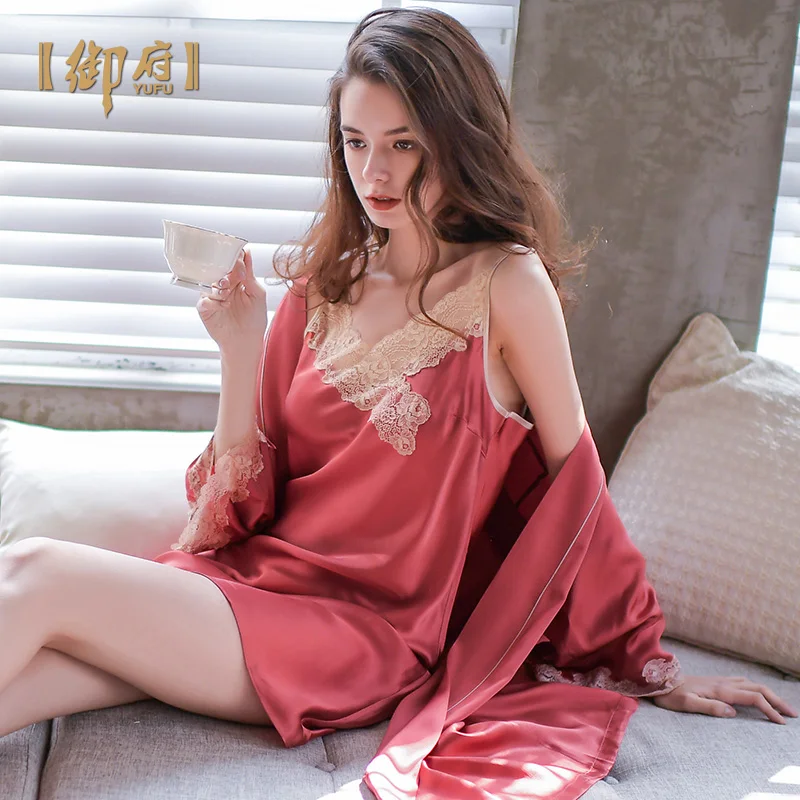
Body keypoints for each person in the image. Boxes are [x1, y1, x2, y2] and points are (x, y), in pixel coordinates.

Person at [0, 7, 794, 799]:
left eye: (403, 144)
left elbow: (576, 486)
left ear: (456, 139)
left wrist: (650, 663)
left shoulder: (507, 286)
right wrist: (240, 354)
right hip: (241, 590)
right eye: (355, 143)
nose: (374, 173)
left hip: (356, 638)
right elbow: (235, 515)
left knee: (34, 569)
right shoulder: (318, 288)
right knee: (27, 681)